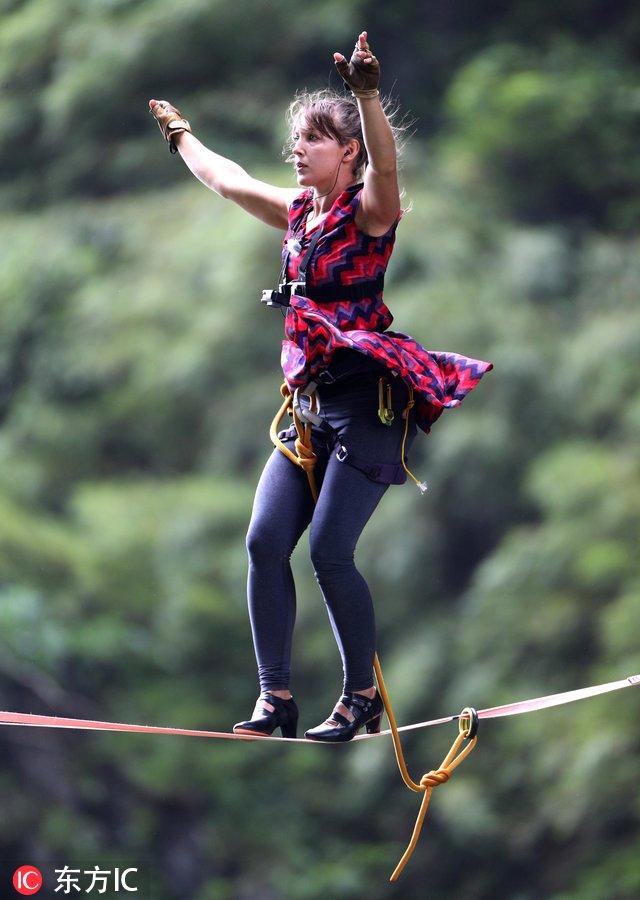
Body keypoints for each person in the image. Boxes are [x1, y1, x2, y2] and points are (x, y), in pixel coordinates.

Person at [149, 31, 492, 743]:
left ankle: (359, 696)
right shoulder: (297, 212)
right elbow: (227, 178)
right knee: (263, 542)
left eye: (313, 140)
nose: (297, 150)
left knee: (330, 553)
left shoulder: (371, 214)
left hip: (368, 407)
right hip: (308, 410)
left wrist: (367, 96)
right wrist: (181, 135)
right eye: (296, 139)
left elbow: (389, 164)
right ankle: (276, 699)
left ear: (349, 153)